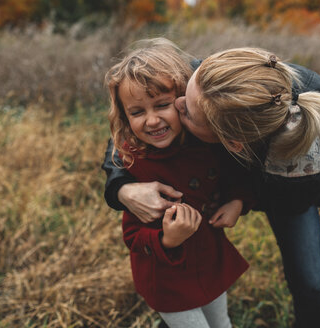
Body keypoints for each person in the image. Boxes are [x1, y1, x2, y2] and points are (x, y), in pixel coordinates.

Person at [103, 44, 320, 328]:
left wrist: (241, 200)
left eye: (187, 113)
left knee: (311, 282)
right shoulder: (205, 80)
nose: (178, 104)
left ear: (228, 144)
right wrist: (121, 188)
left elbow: (283, 200)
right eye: (182, 95)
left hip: (283, 194)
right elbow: (124, 133)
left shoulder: (307, 163)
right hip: (174, 278)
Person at [105, 38, 250, 328]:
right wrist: (168, 239)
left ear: (184, 102)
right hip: (168, 276)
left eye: (162, 105)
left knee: (222, 323)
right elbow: (132, 236)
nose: (152, 120)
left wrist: (237, 200)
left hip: (208, 260)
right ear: (124, 115)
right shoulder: (136, 162)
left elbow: (236, 174)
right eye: (137, 112)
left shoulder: (205, 142)